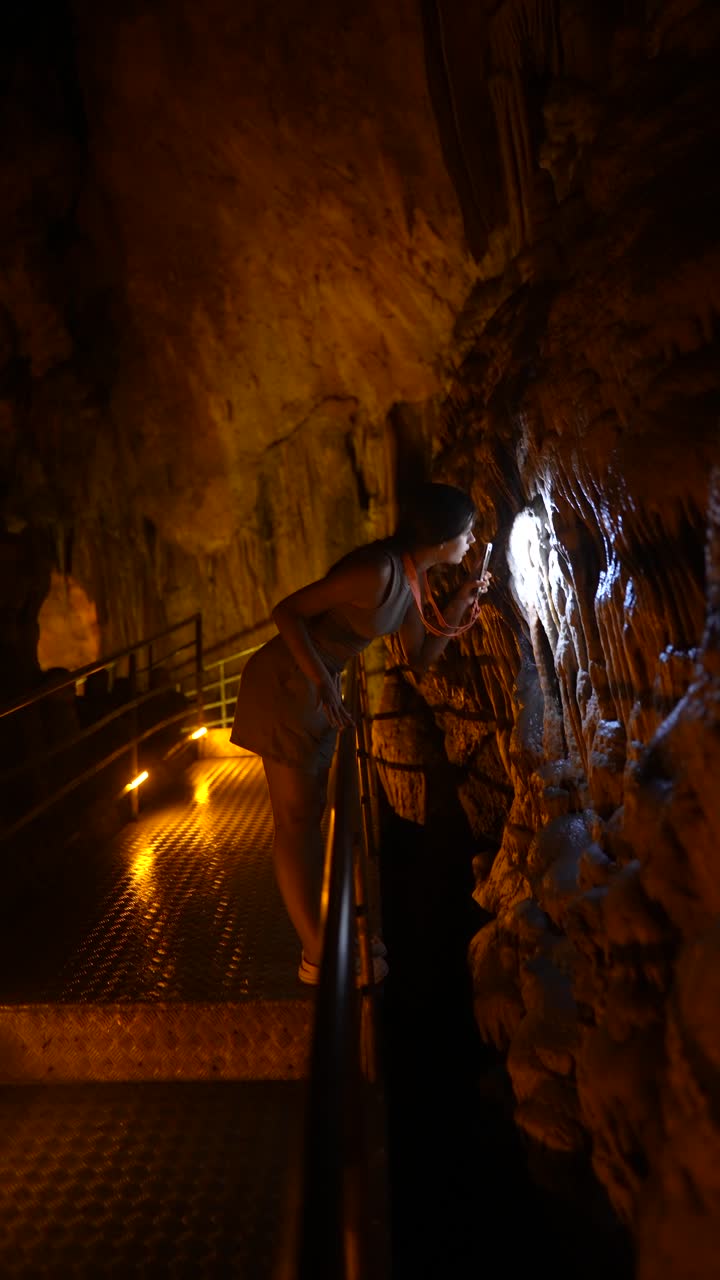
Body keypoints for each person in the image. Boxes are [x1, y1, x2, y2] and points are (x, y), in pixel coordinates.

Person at [229, 482, 491, 984]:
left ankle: (324, 935)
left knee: (309, 820)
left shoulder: (412, 581)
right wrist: (325, 682)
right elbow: (287, 611)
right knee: (295, 822)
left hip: (317, 693)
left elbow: (420, 658)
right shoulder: (377, 571)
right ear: (442, 537)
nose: (472, 540)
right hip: (289, 683)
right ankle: (316, 955)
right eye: (468, 530)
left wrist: (463, 597)